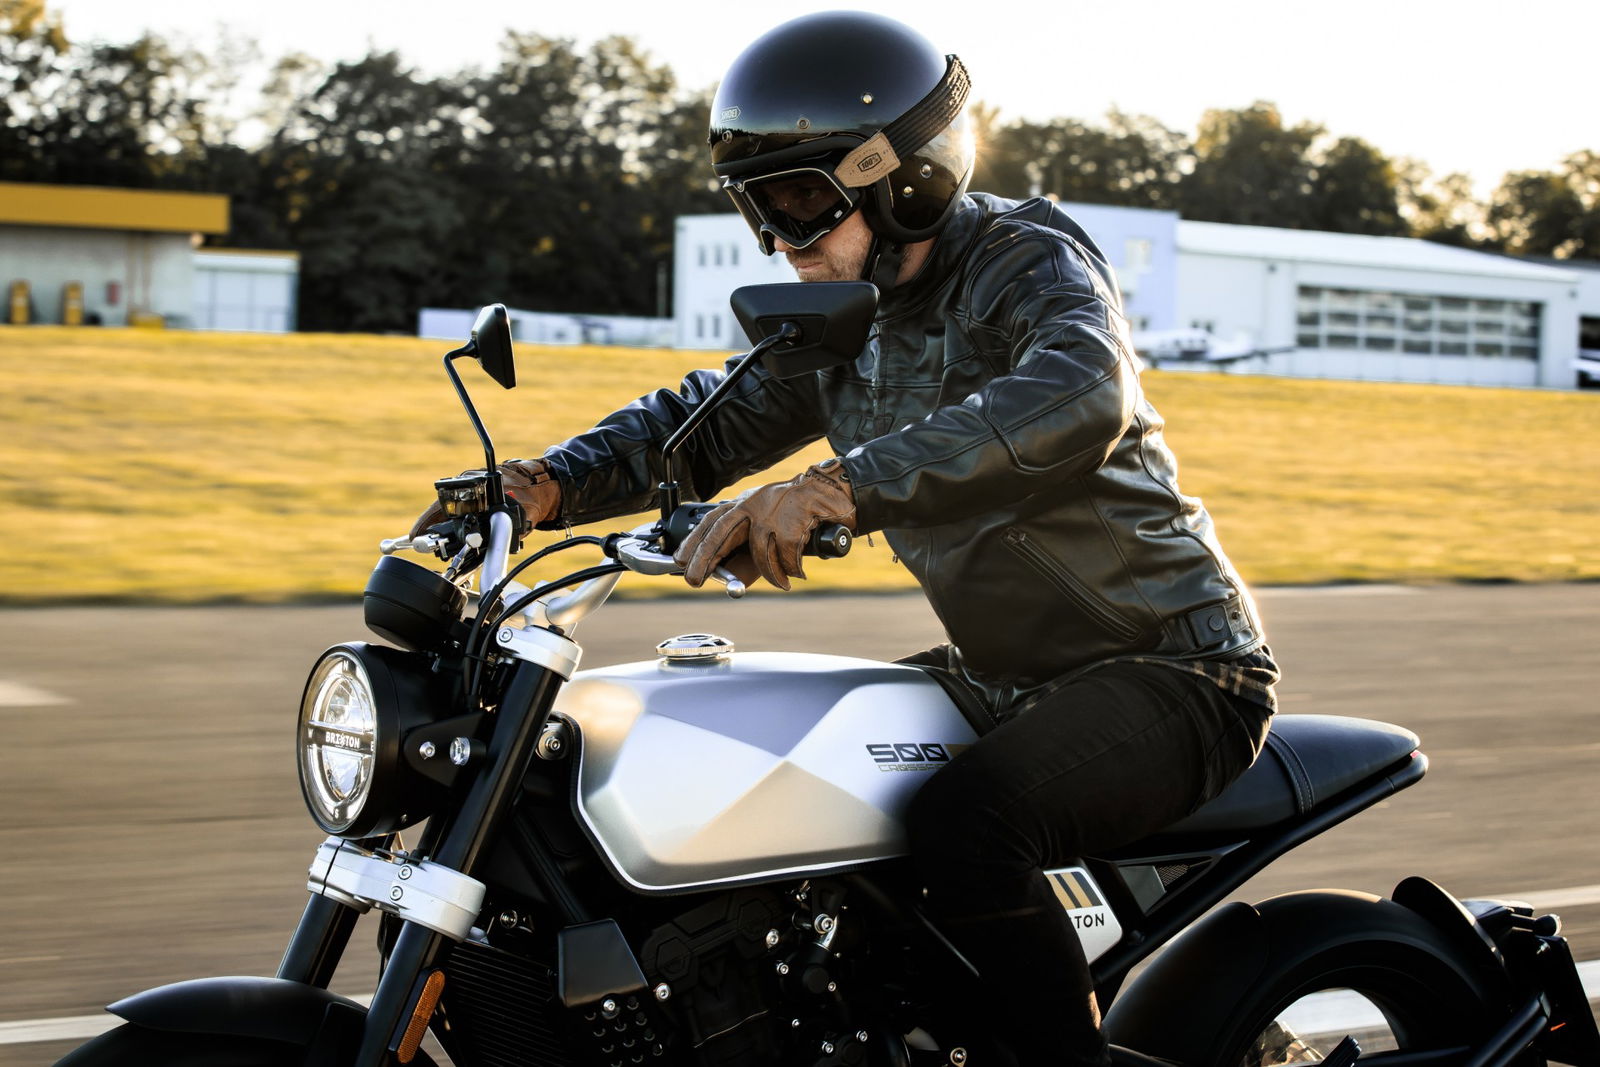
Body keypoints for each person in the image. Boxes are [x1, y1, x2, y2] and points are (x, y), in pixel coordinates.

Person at [424, 12, 1278, 1066]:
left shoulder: (1024, 260)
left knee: (968, 827)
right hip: (1004, 674)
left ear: (906, 178)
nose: (780, 237)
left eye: (799, 200)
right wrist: (544, 484)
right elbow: (702, 424)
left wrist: (841, 486)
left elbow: (1078, 391)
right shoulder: (845, 316)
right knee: (801, 782)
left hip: (1173, 664)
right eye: (758, 207)